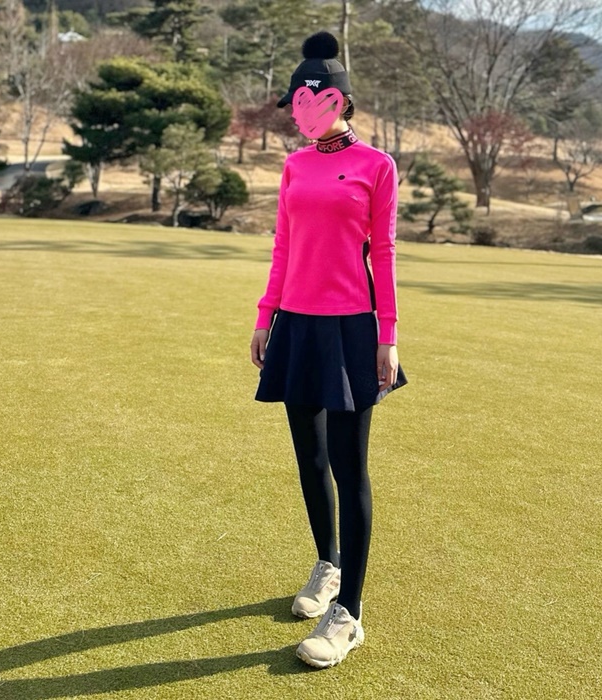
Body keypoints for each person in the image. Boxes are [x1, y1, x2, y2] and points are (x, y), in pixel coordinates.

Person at [249, 31, 406, 669]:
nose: (302, 110)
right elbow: (284, 246)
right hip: (296, 323)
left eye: (311, 99)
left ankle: (350, 616)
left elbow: (384, 252)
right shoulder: (294, 165)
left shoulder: (376, 165)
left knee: (348, 466)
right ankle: (327, 564)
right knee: (310, 459)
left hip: (350, 329)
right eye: (296, 102)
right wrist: (266, 315)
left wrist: (388, 335)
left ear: (338, 101)